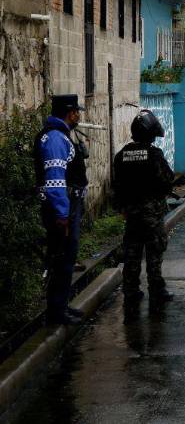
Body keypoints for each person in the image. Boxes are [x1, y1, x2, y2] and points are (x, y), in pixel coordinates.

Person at [114, 110, 176, 317]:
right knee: (154, 253)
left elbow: (118, 186)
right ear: (149, 134)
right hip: (151, 214)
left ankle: (131, 292)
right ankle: (157, 290)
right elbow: (167, 180)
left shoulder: (121, 155)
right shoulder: (154, 154)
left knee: (131, 254)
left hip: (131, 214)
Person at [34, 94, 88, 326]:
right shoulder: (56, 138)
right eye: (77, 111)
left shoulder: (60, 135)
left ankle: (61, 306)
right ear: (69, 112)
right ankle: (56, 313)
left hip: (66, 206)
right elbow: (55, 179)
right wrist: (62, 213)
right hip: (62, 209)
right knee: (62, 259)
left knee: (65, 258)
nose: (78, 115)